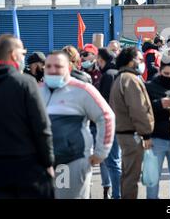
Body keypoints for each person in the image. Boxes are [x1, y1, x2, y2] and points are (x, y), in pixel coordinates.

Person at [40, 50, 115, 199]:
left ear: (68, 68)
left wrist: (101, 153)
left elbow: (106, 116)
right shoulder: (37, 90)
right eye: (48, 66)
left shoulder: (82, 90)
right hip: (41, 163)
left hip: (70, 160)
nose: (53, 70)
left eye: (58, 66)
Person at [0, 35, 55, 199]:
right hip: (28, 165)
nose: (24, 57)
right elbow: (41, 126)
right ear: (13, 55)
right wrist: (48, 162)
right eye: (23, 52)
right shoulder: (25, 83)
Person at [109, 47, 154, 199]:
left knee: (128, 174)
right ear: (130, 61)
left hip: (124, 133)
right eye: (140, 60)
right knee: (131, 177)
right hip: (131, 134)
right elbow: (138, 109)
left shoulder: (121, 78)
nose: (142, 63)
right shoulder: (130, 79)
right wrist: (146, 133)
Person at [145, 55, 170, 199]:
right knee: (152, 176)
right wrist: (159, 104)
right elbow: (143, 111)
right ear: (160, 71)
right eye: (166, 74)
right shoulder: (149, 87)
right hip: (156, 139)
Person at [96, 48, 122, 199]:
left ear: (102, 60)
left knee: (112, 162)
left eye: (99, 60)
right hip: (122, 122)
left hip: (110, 122)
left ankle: (117, 195)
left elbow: (104, 101)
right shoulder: (119, 73)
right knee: (116, 160)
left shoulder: (107, 75)